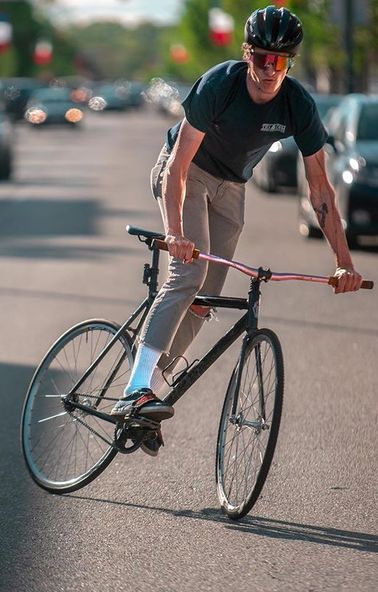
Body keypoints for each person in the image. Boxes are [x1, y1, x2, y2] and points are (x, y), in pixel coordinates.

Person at [110, 5, 363, 455]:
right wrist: (174, 233)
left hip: (233, 188)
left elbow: (320, 190)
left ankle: (149, 387)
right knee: (186, 274)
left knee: (205, 299)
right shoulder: (221, 84)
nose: (270, 70)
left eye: (280, 62)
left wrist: (344, 263)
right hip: (188, 173)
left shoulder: (298, 104)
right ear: (248, 54)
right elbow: (178, 167)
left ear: (290, 63)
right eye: (263, 58)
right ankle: (135, 389)